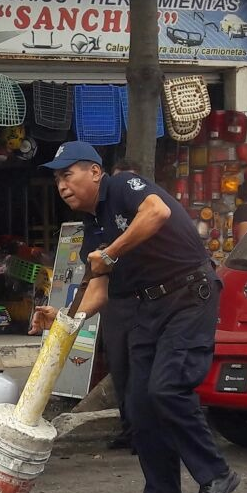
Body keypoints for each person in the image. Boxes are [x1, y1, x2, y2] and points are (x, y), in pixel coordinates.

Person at [30, 141, 240, 493]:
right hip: (149, 307)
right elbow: (99, 289)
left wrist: (112, 253)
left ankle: (216, 474)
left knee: (167, 387)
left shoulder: (123, 186)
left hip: (188, 295)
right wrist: (62, 317)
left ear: (95, 172)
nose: (61, 185)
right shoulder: (93, 228)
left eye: (68, 174)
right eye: (57, 179)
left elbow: (157, 212)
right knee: (139, 405)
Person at [102, 157, 142, 451]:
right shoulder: (103, 217)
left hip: (143, 302)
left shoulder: (146, 217)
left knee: (140, 371)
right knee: (119, 369)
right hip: (114, 302)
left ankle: (143, 432)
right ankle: (129, 429)